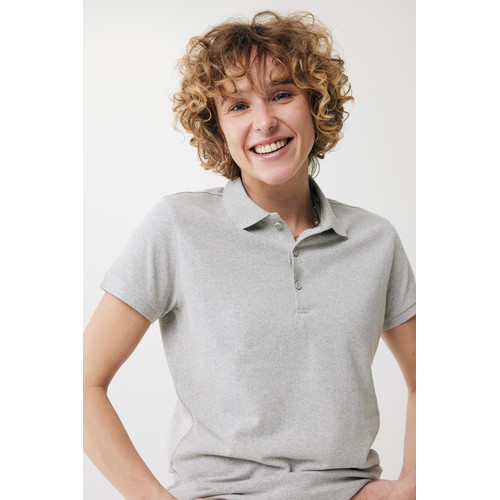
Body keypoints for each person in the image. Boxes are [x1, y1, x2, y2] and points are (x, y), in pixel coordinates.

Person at [83, 10, 416, 500]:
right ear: (217, 128)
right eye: (238, 105)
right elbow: (82, 383)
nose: (264, 122)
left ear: (315, 104)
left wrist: (410, 485)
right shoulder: (177, 227)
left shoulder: (375, 239)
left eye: (282, 94)